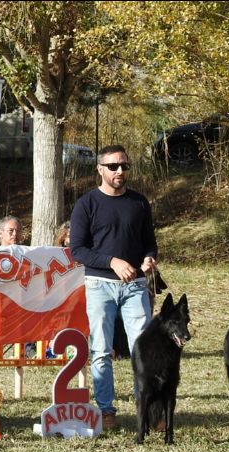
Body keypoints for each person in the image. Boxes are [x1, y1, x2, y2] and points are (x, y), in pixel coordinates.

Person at [69, 144, 158, 430]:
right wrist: (112, 261)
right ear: (100, 169)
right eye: (113, 166)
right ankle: (106, 412)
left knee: (142, 350)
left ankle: (148, 411)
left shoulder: (139, 202)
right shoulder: (87, 204)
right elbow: (78, 250)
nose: (120, 171)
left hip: (135, 286)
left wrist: (148, 259)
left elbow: (149, 242)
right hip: (99, 285)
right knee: (101, 350)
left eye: (124, 166)